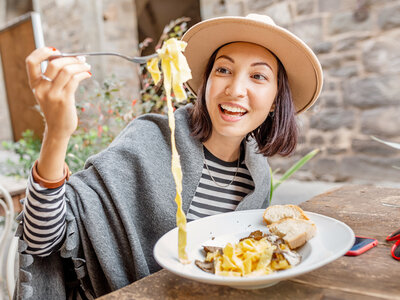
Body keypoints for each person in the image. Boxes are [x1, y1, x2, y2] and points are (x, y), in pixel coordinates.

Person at [16, 14, 322, 299]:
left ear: (274, 101)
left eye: (258, 76)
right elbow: (42, 238)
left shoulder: (257, 175)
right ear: (204, 84)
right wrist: (57, 131)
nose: (236, 88)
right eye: (224, 70)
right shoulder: (149, 140)